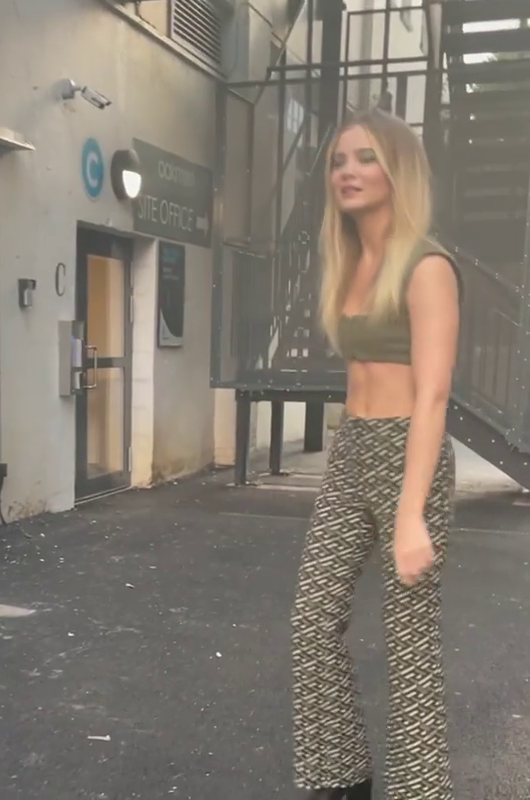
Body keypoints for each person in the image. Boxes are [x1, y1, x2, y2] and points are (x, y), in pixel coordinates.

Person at [292, 108, 462, 800]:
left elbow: (433, 395)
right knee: (312, 620)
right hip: (355, 447)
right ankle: (340, 778)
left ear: (397, 171)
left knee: (408, 644)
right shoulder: (350, 263)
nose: (348, 172)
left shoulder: (426, 266)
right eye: (339, 161)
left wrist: (411, 513)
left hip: (408, 452)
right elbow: (358, 377)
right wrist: (347, 459)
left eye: (365, 158)